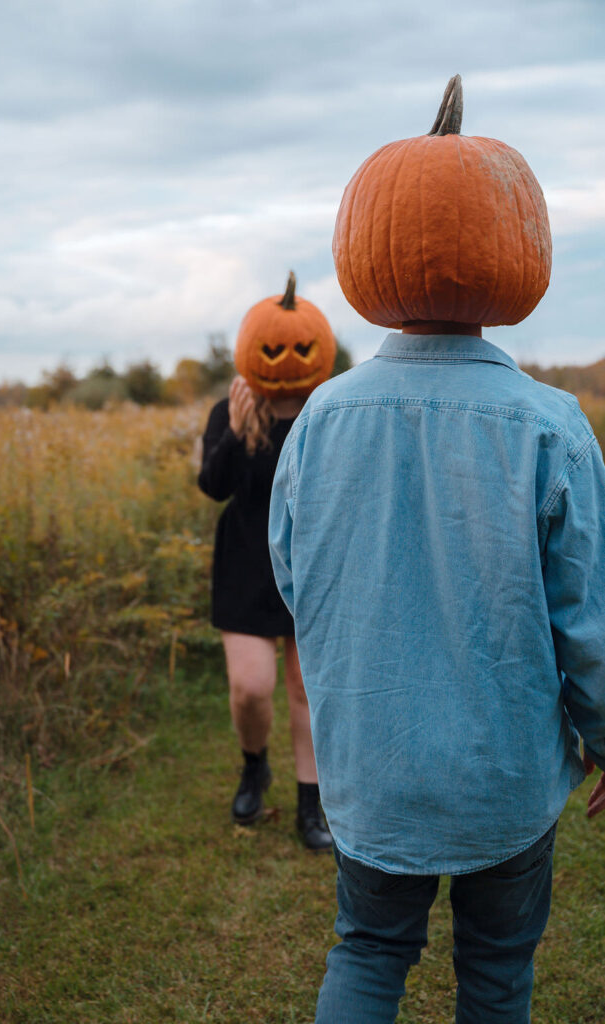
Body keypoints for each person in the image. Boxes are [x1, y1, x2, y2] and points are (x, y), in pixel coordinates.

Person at [269, 78, 605, 1022]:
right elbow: (584, 616)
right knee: (496, 970)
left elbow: (296, 579)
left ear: (369, 252)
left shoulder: (323, 416)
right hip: (502, 770)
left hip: (369, 761)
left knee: (369, 953)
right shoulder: (550, 425)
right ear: (515, 253)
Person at [198, 273, 336, 851]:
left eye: (298, 347)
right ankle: (255, 765)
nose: (287, 357)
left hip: (313, 567)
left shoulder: (329, 412)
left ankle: (313, 804)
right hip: (246, 566)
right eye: (275, 347)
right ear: (253, 349)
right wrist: (232, 430)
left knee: (309, 690)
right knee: (250, 687)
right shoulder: (232, 410)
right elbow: (212, 485)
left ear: (318, 350)